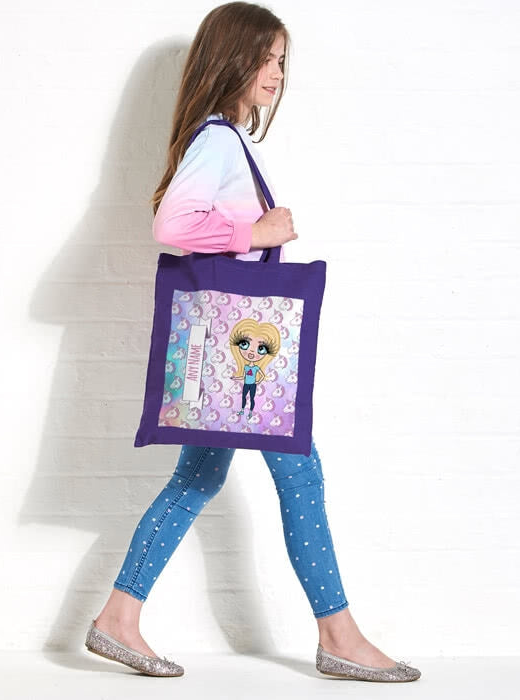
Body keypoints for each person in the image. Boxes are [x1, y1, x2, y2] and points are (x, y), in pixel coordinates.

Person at [84, 2, 421, 683]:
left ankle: (118, 618)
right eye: (266, 58)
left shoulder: (226, 141)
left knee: (198, 478)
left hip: (224, 358)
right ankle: (340, 636)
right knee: (300, 473)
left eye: (282, 61)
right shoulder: (217, 140)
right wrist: (256, 233)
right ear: (231, 59)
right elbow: (172, 225)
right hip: (239, 357)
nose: (277, 73)